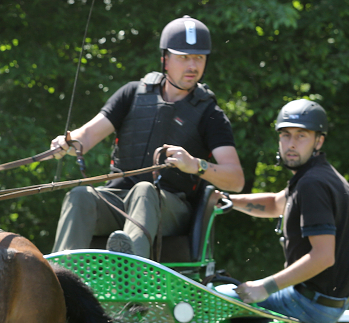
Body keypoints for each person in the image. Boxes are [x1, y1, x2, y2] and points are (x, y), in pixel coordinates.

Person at [50, 15, 244, 258]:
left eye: (199, 58)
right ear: (165, 59)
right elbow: (86, 136)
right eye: (184, 57)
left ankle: (129, 282)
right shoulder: (131, 94)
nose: (193, 66)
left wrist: (196, 165)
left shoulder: (210, 115)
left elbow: (236, 179)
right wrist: (67, 142)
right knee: (79, 195)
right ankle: (64, 281)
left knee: (144, 190)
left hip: (171, 208)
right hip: (117, 199)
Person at [218, 99, 349, 323]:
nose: (291, 144)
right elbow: (274, 204)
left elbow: (324, 256)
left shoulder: (313, 184)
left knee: (219, 297)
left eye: (301, 136)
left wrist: (265, 287)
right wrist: (227, 201)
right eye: (285, 135)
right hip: (325, 300)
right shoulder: (316, 176)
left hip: (310, 303)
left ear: (318, 141)